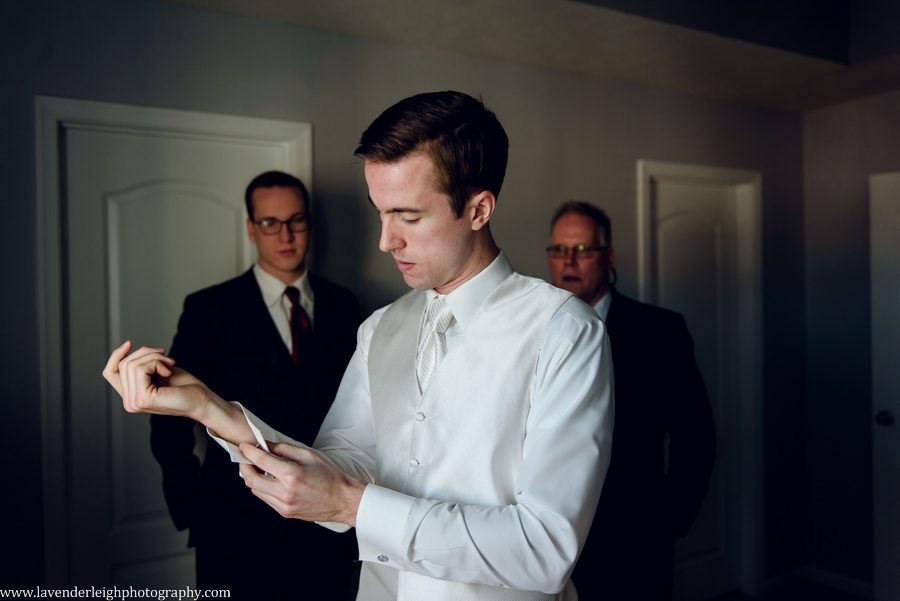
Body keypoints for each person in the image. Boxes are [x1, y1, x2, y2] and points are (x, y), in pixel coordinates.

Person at [104, 91, 614, 601]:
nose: (385, 241)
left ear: (478, 209)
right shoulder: (381, 328)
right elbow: (337, 469)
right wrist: (211, 409)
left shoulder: (564, 331)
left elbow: (545, 548)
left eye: (408, 217)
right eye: (380, 213)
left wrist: (355, 507)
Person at [149, 171, 361, 600]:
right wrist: (193, 503)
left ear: (310, 226)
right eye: (270, 223)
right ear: (251, 228)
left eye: (296, 221)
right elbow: (168, 414)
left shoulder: (346, 305)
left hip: (328, 524)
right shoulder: (209, 309)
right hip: (234, 523)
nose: (285, 235)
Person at [546, 201, 716, 600]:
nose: (569, 260)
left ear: (609, 257)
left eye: (583, 250)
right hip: (550, 537)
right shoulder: (531, 330)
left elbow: (697, 436)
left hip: (636, 538)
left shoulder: (659, 331)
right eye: (558, 249)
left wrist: (670, 523)